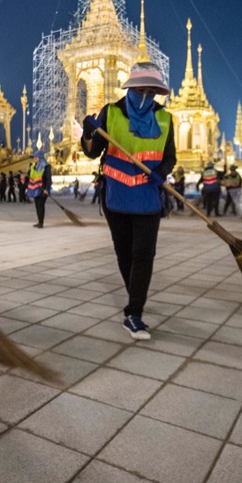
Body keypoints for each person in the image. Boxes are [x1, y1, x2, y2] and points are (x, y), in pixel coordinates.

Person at [81, 61, 176, 340]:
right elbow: (92, 152)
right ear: (131, 87)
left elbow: (169, 157)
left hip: (148, 198)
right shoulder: (111, 113)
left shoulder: (165, 118)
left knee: (144, 255)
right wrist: (88, 133)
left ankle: (134, 312)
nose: (146, 93)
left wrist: (161, 172)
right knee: (124, 254)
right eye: (141, 88)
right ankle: (136, 296)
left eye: (152, 90)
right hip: (117, 197)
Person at [27, 150, 52, 227]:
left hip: (43, 189)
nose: (34, 158)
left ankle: (41, 223)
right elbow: (31, 176)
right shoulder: (34, 166)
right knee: (37, 205)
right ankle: (39, 221)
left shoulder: (46, 166)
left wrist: (47, 189)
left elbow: (48, 179)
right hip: (36, 188)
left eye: (35, 157)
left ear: (40, 157)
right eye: (34, 157)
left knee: (40, 204)